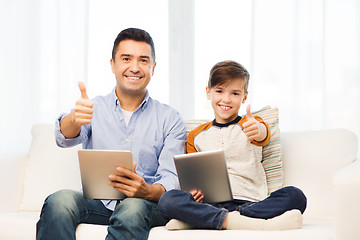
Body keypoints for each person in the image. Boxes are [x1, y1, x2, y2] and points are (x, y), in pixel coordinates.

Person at [36, 28, 187, 240]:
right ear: (112, 65)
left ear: (153, 67)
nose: (134, 67)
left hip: (144, 205)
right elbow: (63, 137)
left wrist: (147, 191)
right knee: (59, 201)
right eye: (126, 58)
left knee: (132, 208)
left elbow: (171, 178)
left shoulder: (170, 118)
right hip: (98, 202)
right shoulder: (93, 107)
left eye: (143, 60)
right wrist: (74, 119)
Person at [158, 60, 307, 231]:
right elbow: (191, 178)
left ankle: (213, 220)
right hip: (211, 203)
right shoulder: (195, 135)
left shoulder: (251, 123)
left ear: (244, 96)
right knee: (167, 200)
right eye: (219, 91)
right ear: (208, 92)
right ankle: (243, 221)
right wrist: (192, 194)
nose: (226, 99)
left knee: (295, 196)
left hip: (251, 202)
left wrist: (258, 129)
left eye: (235, 93)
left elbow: (262, 133)